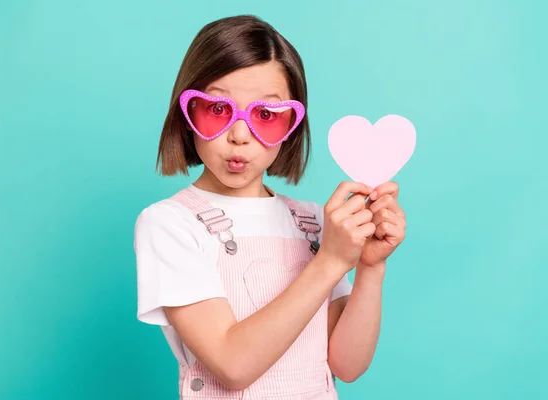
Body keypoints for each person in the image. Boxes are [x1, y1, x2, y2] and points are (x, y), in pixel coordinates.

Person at [134, 14, 407, 399]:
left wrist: (370, 267)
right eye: (217, 108)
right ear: (187, 111)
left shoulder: (311, 223)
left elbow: (347, 364)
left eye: (265, 115)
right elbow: (234, 365)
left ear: (291, 125)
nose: (240, 136)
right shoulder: (170, 224)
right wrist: (330, 261)